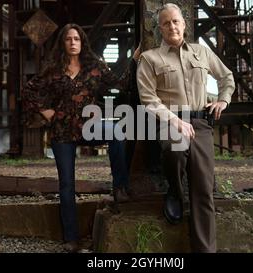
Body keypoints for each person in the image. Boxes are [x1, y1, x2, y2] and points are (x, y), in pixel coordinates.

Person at [22, 23, 139, 252]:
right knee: (67, 184)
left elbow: (121, 84)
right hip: (62, 132)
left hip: (88, 127)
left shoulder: (94, 67)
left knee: (117, 132)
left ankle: (120, 187)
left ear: (82, 42)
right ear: (63, 43)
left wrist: (134, 59)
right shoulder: (53, 69)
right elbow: (29, 90)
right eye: (69, 39)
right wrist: (45, 111)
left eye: (76, 39)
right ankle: (71, 239)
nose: (73, 42)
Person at [136, 3, 235, 253]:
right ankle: (176, 192)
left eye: (176, 21)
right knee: (174, 150)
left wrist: (223, 99)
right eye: (166, 23)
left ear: (184, 24)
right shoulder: (150, 59)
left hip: (201, 124)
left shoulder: (202, 52)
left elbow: (227, 77)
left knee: (203, 190)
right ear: (160, 28)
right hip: (170, 121)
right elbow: (148, 99)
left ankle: (205, 250)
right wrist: (174, 120)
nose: (172, 26)